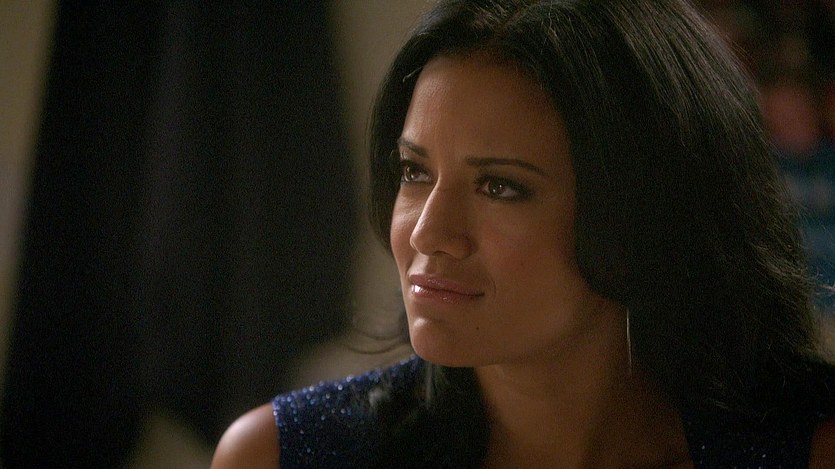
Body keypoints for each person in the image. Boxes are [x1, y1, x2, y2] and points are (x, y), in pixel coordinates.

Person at [211, 0, 835, 467]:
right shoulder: (280, 457)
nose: (429, 233)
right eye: (414, 172)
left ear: (643, 213)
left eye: (500, 187)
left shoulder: (808, 450)